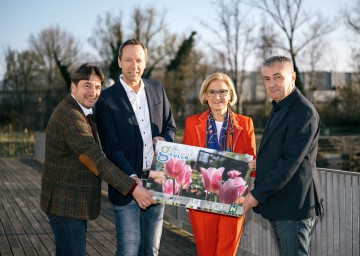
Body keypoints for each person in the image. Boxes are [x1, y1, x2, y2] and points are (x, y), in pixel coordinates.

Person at [40, 63, 156, 256]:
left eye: (97, 87)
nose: (93, 92)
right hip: (66, 205)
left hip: (71, 203)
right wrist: (133, 187)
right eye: (87, 85)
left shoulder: (79, 111)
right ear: (73, 86)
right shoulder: (71, 116)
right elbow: (95, 160)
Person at [95, 39, 176, 256]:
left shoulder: (157, 89)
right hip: (127, 184)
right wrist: (131, 178)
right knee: (129, 249)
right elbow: (111, 147)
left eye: (139, 60)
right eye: (128, 59)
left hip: (158, 181)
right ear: (120, 61)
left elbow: (170, 126)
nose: (134, 65)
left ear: (145, 62)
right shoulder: (106, 99)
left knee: (151, 250)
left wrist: (164, 140)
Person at [243, 56, 324, 256]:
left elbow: (290, 163)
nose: (272, 84)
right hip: (281, 203)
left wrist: (256, 195)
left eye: (278, 77)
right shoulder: (281, 105)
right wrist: (258, 164)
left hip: (294, 205)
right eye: (267, 78)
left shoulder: (303, 112)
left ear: (293, 76)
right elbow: (279, 152)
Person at [183, 72, 256, 256]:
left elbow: (252, 161)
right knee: (206, 251)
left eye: (222, 91)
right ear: (205, 96)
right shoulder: (192, 123)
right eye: (212, 92)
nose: (217, 97)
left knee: (226, 252)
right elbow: (186, 162)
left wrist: (255, 165)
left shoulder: (246, 124)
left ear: (230, 94)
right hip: (201, 197)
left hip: (233, 197)